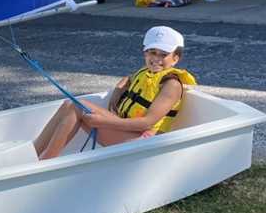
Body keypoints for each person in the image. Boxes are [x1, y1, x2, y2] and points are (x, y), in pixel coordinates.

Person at [33, 26, 196, 160]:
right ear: (145, 52)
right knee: (70, 103)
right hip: (129, 130)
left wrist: (103, 122)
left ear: (176, 58)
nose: (156, 59)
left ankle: (46, 161)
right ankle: (33, 153)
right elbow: (127, 80)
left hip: (145, 142)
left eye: (163, 54)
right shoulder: (146, 72)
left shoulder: (171, 84)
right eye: (152, 52)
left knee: (77, 108)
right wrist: (116, 93)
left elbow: (147, 123)